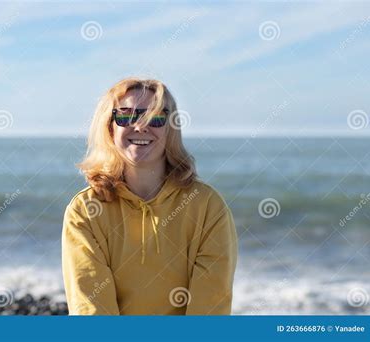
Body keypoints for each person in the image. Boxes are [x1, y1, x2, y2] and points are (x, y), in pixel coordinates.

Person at [62, 77, 238, 315]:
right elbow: (92, 313)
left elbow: (209, 312)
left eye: (154, 116)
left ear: (170, 127)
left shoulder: (207, 207)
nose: (140, 126)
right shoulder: (85, 210)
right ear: (109, 126)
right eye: (126, 115)